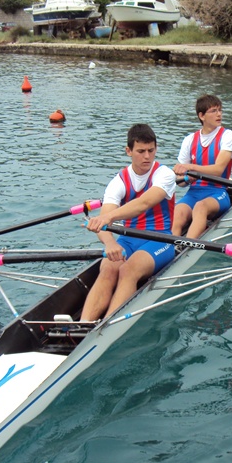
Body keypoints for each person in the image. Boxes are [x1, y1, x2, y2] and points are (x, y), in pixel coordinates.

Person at [81, 124, 177, 321]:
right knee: (108, 268)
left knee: (127, 270)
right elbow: (104, 220)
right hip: (129, 240)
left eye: (151, 150)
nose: (147, 156)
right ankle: (83, 323)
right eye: (141, 151)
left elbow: (143, 203)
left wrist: (107, 218)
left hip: (160, 239)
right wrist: (110, 243)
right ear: (129, 151)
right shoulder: (119, 181)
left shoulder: (164, 174)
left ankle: (107, 325)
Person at [172, 94, 232, 238]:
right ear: (202, 116)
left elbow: (218, 170)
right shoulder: (189, 140)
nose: (219, 114)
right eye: (214, 111)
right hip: (193, 193)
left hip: (218, 192)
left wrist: (191, 168)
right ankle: (171, 247)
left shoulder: (228, 136)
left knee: (200, 207)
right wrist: (187, 179)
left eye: (220, 110)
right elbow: (180, 183)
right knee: (176, 212)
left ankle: (188, 245)